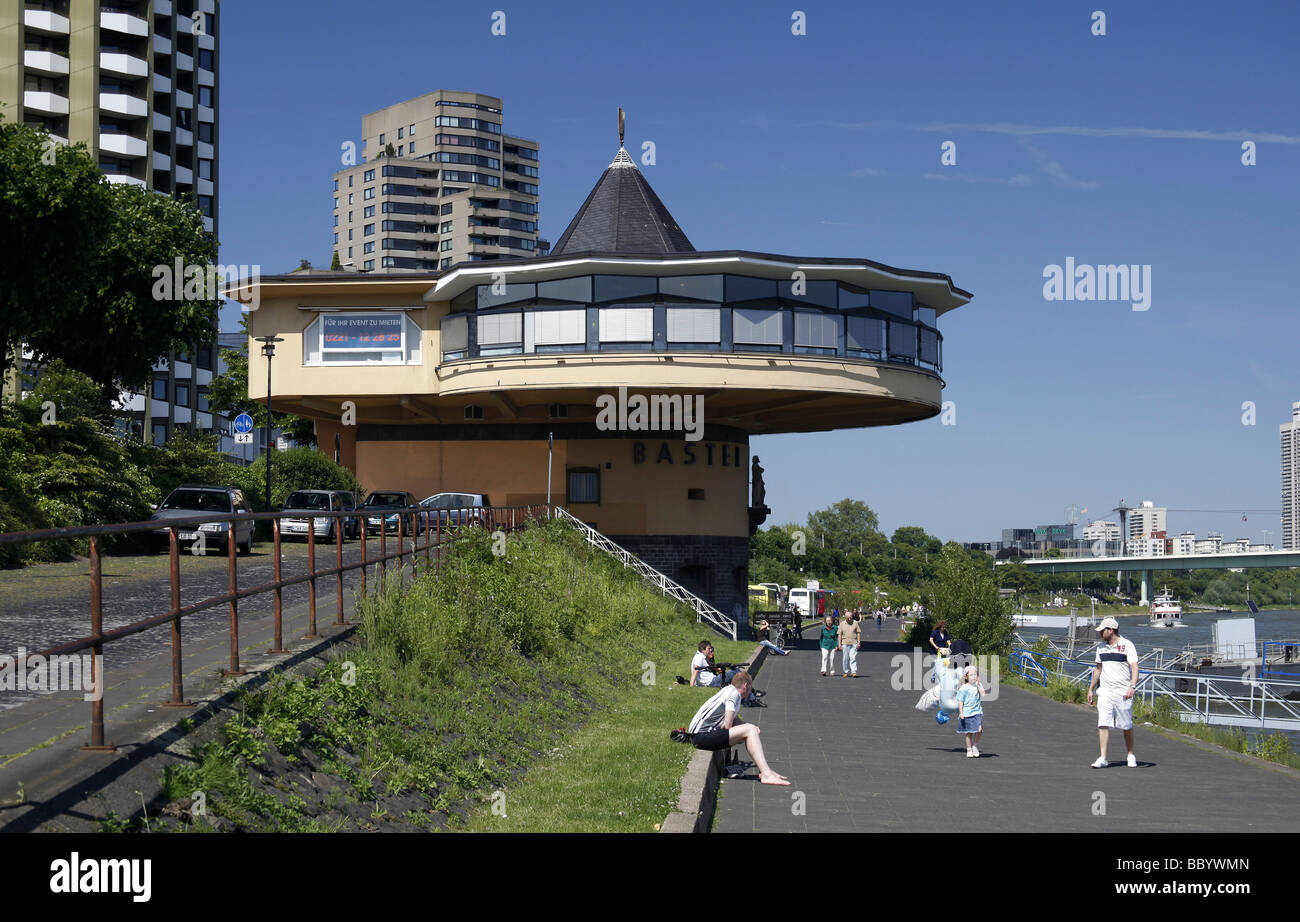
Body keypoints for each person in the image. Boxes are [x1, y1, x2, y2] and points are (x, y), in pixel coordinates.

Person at [687, 671, 789, 786]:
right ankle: (766, 774)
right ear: (746, 685)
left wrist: (750, 727)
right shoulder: (734, 695)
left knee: (750, 729)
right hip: (702, 737)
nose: (751, 691)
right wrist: (749, 729)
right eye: (751, 687)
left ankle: (767, 771)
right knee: (749, 730)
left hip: (698, 736)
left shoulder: (728, 689)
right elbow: (728, 725)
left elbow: (732, 720)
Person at [1087, 617, 1139, 768]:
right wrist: (1091, 688)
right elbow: (1098, 669)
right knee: (1103, 723)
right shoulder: (1101, 648)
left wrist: (1132, 686)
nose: (1100, 633)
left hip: (1122, 691)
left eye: (1103, 630)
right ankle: (1103, 757)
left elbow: (1134, 667)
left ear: (1110, 630)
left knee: (1126, 725)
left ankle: (1130, 754)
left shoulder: (1127, 645)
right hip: (1105, 691)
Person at [691, 641, 762, 705]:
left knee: (735, 673)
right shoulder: (699, 658)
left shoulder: (702, 656)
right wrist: (691, 687)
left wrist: (724, 670)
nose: (711, 650)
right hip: (711, 682)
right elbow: (695, 672)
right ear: (703, 650)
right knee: (737, 673)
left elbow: (711, 667)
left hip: (712, 680)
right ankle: (752, 697)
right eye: (709, 648)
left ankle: (749, 696)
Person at [956, 664, 987, 758]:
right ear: (966, 677)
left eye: (975, 675)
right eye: (971, 675)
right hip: (967, 713)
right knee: (969, 732)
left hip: (978, 712)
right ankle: (969, 749)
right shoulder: (964, 688)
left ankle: (975, 746)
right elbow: (960, 701)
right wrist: (961, 712)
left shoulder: (979, 685)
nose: (974, 677)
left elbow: (983, 695)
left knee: (979, 730)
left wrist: (978, 686)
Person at [838, 608, 860, 678]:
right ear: (845, 617)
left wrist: (859, 642)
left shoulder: (855, 623)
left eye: (850, 617)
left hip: (854, 642)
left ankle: (854, 672)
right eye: (848, 618)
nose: (849, 619)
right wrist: (839, 644)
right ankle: (845, 672)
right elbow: (839, 634)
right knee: (845, 658)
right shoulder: (842, 624)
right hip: (845, 643)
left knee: (853, 657)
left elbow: (858, 633)